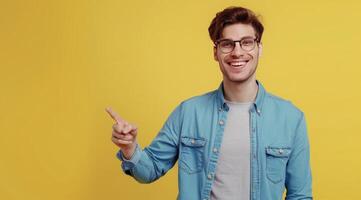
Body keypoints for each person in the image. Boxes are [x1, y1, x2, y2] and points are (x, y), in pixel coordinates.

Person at [106, 6, 312, 200]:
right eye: (227, 44)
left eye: (247, 42)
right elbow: (149, 170)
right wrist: (130, 148)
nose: (237, 52)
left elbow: (300, 195)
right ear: (216, 52)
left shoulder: (291, 118)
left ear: (259, 49)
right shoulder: (188, 112)